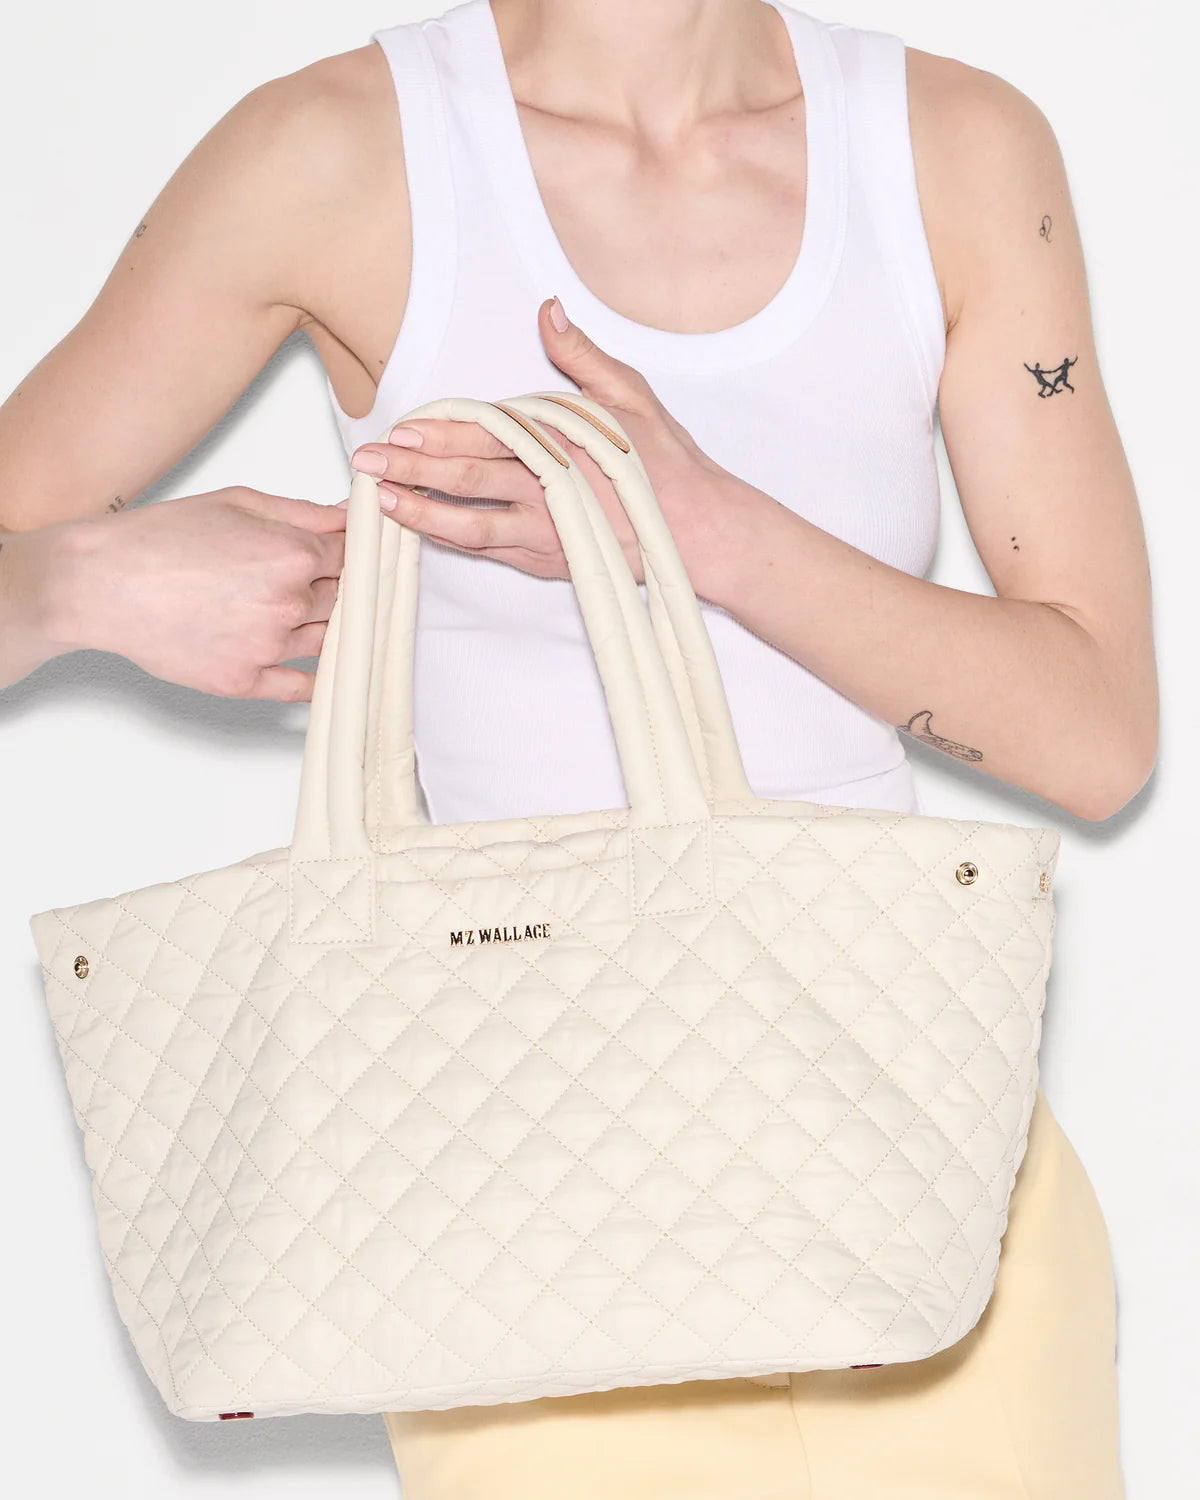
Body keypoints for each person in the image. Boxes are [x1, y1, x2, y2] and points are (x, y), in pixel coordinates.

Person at [0, 0, 1155, 1494]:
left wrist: (710, 533)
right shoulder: (337, 152)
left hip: (929, 1202)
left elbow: (1099, 739)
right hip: (528, 1243)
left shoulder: (956, 148)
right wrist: (73, 585)